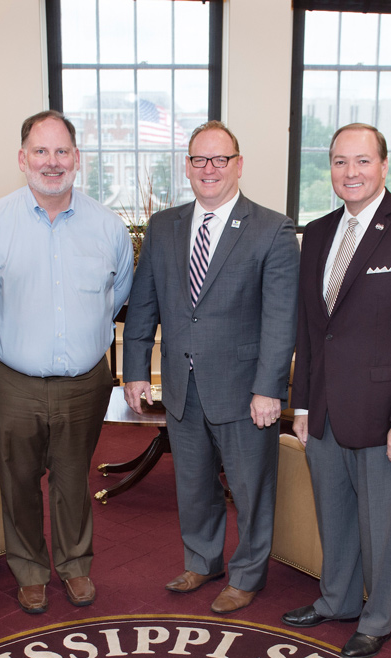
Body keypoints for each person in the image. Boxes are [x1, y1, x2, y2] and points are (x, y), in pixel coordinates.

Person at [282, 123, 391, 658]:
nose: (350, 172)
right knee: (333, 514)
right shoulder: (316, 232)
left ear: (384, 166)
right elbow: (312, 330)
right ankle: (336, 599)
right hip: (326, 410)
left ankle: (377, 618)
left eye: (361, 161)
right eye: (339, 161)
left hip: (386, 417)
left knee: (384, 526)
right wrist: (303, 405)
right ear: (328, 168)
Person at [0, 110, 133, 615]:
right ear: (22, 158)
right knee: (17, 480)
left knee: (74, 477)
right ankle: (30, 569)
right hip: (9, 380)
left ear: (76, 159)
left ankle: (76, 566)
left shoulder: (108, 228)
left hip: (85, 382)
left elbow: (116, 296)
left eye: (61, 152)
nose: (51, 163)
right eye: (40, 151)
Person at [123, 120, 299, 614]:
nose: (209, 169)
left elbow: (282, 318)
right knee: (194, 482)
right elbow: (144, 305)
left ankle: (246, 574)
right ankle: (202, 560)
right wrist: (135, 369)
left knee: (249, 489)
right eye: (199, 159)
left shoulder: (272, 228)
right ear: (187, 166)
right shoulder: (164, 226)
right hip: (181, 384)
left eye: (220, 159)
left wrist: (270, 388)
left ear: (238, 165)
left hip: (245, 390)